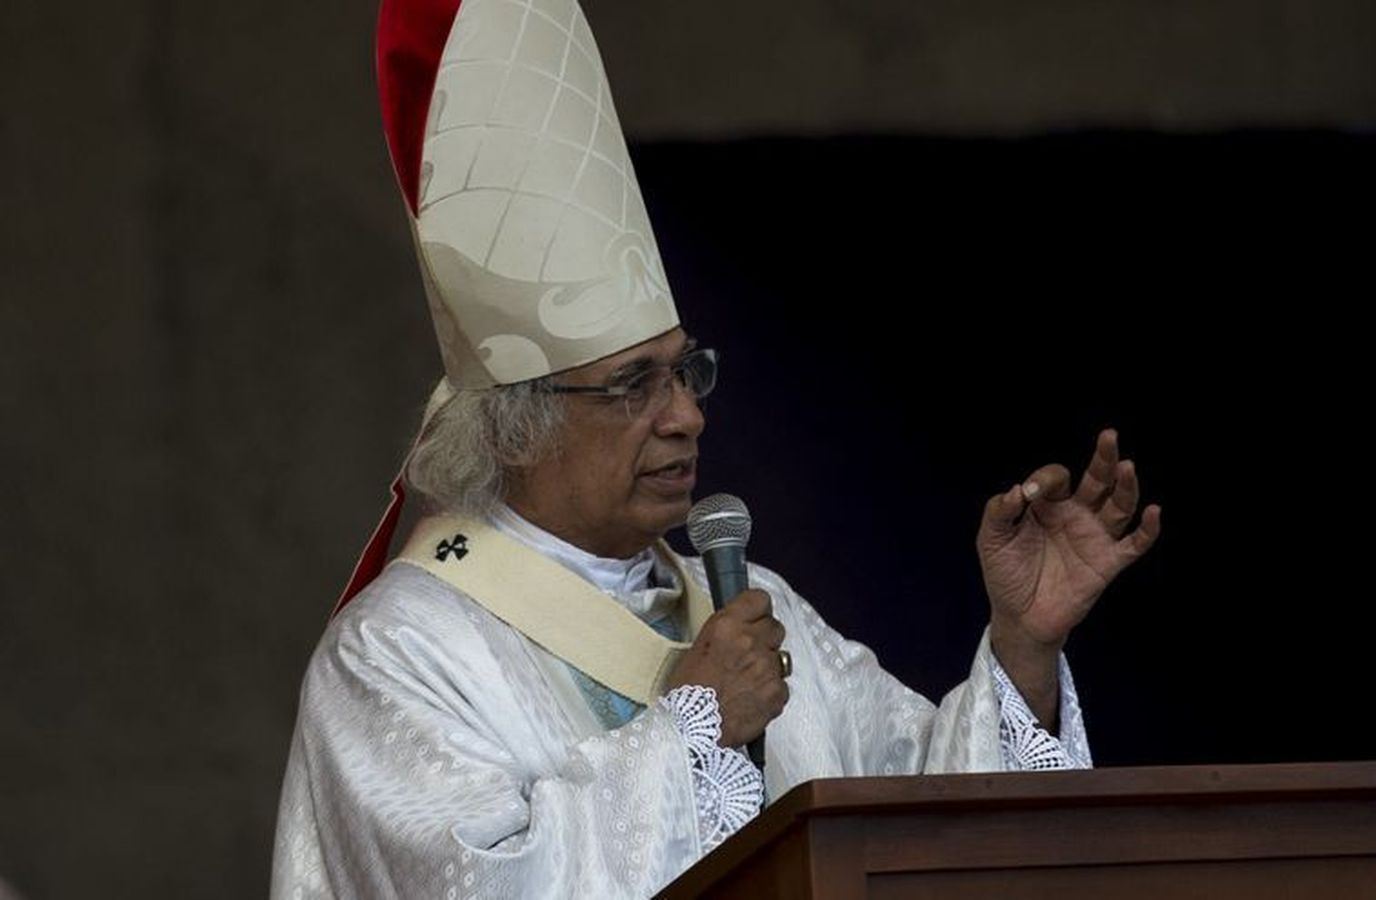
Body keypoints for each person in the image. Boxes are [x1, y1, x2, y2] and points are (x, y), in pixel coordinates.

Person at [270, 0, 1160, 896]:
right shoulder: (400, 654)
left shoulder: (754, 604)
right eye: (633, 386)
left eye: (685, 372)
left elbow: (920, 819)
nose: (686, 417)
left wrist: (1022, 647)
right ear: (516, 425)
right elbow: (475, 883)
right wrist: (698, 728)